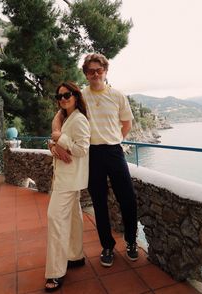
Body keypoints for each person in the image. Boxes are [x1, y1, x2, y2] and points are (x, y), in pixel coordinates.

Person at [52, 53, 138, 268]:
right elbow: (60, 115)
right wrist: (54, 138)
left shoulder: (118, 96)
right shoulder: (81, 97)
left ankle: (131, 241)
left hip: (114, 152)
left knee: (127, 198)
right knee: (99, 202)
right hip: (91, 154)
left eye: (99, 70)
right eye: (91, 71)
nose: (95, 74)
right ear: (86, 74)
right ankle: (107, 246)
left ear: (105, 71)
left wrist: (116, 139)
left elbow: (126, 124)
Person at [45, 81, 90, 292]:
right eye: (59, 95)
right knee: (73, 216)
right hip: (66, 177)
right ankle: (75, 255)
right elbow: (56, 140)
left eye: (67, 94)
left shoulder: (79, 119)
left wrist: (59, 139)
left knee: (55, 219)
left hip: (69, 179)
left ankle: (55, 272)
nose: (63, 98)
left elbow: (82, 150)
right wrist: (54, 143)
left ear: (75, 95)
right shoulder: (64, 117)